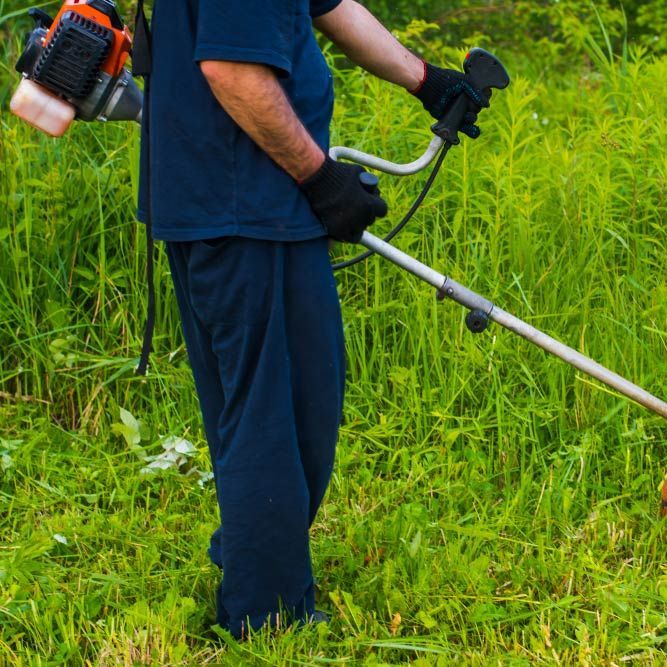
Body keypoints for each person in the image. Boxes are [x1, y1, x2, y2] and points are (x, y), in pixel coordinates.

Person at [137, 0, 487, 638]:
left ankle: (253, 557)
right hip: (244, 208)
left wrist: (426, 79)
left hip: (249, 203)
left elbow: (330, 6)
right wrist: (320, 177)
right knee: (274, 413)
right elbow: (232, 70)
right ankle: (267, 614)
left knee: (291, 405)